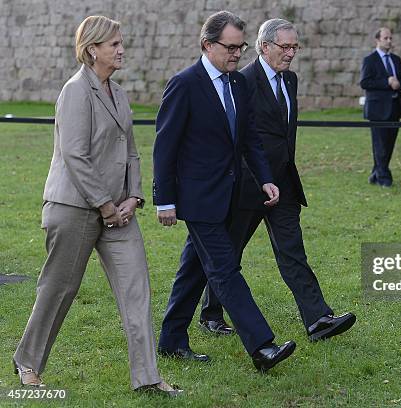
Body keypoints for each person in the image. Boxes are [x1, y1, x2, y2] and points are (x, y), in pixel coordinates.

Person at [12, 15, 179, 396]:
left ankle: (148, 378)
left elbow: (131, 152)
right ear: (91, 50)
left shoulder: (118, 92)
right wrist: (105, 205)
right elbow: (75, 154)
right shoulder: (75, 91)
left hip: (120, 212)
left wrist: (133, 197)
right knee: (59, 289)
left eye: (121, 43)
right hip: (74, 208)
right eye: (113, 44)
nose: (121, 50)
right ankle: (28, 362)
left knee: (136, 290)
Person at [153, 10, 296, 372]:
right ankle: (262, 347)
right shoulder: (184, 84)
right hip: (198, 199)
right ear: (207, 45)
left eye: (241, 47)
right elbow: (165, 146)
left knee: (194, 270)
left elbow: (249, 139)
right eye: (230, 47)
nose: (236, 54)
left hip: (232, 195)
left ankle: (171, 340)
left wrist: (265, 178)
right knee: (225, 269)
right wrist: (164, 201)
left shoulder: (237, 83)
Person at [198, 19, 356, 342]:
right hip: (247, 185)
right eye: (285, 47)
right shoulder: (241, 82)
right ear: (264, 46)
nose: (290, 53)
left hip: (283, 184)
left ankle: (318, 320)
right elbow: (236, 138)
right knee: (230, 251)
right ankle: (211, 314)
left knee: (293, 251)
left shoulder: (291, 81)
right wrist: (253, 180)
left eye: (295, 47)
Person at [360, 27, 401, 188]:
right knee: (380, 145)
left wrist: (398, 84)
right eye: (386, 38)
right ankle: (384, 178)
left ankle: (376, 172)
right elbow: (365, 83)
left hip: (395, 108)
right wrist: (386, 82)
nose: (389, 41)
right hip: (377, 110)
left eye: (390, 38)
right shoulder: (370, 60)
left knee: (388, 145)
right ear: (377, 40)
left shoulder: (396, 59)